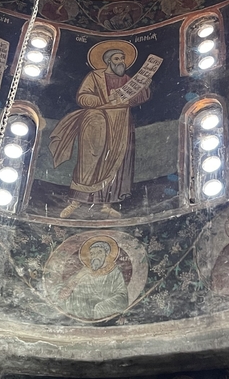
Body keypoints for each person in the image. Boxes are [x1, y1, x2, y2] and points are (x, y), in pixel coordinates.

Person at [49, 40, 152, 219]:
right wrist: (102, 101)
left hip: (121, 121)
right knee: (89, 159)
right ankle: (75, 202)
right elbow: (83, 97)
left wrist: (144, 87)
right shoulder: (95, 76)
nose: (121, 61)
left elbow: (139, 98)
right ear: (108, 61)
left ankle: (107, 204)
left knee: (116, 159)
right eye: (117, 58)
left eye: (123, 58)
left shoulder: (127, 79)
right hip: (97, 120)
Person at [57, 237, 128, 320]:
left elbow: (122, 295)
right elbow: (65, 293)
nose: (95, 256)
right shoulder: (84, 272)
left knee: (99, 307)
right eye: (92, 253)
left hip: (103, 306)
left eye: (99, 252)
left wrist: (103, 305)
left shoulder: (114, 272)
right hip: (86, 308)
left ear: (106, 254)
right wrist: (78, 277)